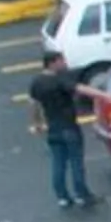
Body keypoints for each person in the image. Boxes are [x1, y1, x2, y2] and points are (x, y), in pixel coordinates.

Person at [25, 52, 97, 210]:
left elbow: (33, 104)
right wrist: (105, 95)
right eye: (61, 60)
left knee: (58, 163)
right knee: (76, 162)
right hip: (69, 127)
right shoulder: (59, 80)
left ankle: (63, 197)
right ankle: (81, 195)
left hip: (53, 128)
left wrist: (36, 123)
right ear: (52, 63)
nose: (64, 63)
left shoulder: (36, 82)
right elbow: (81, 89)